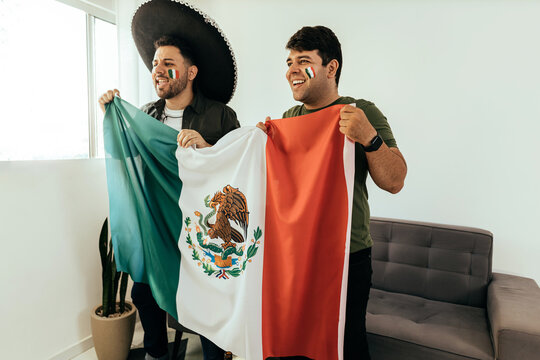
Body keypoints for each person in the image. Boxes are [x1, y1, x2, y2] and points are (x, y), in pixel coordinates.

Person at [99, 2, 239, 359]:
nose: (157, 70)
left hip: (200, 229)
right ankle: (157, 354)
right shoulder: (144, 116)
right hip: (156, 226)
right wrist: (114, 119)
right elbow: (130, 165)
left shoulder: (220, 116)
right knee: (144, 293)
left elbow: (239, 171)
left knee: (205, 302)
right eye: (154, 63)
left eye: (167, 63)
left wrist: (207, 148)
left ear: (190, 72)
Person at [258, 25, 407, 359]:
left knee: (346, 345)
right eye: (289, 62)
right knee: (295, 341)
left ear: (331, 67)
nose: (291, 70)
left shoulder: (361, 110)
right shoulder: (288, 118)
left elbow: (395, 180)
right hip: (296, 254)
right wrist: (258, 146)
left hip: (347, 256)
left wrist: (369, 137)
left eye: (303, 61)